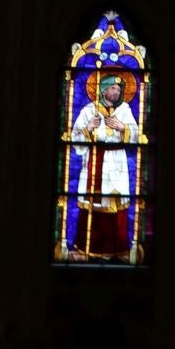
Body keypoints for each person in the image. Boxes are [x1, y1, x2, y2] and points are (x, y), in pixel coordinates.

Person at [69, 70, 140, 260]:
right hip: (94, 160)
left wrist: (122, 128)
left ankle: (118, 248)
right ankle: (88, 248)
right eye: (113, 88)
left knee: (115, 205)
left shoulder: (124, 110)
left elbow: (137, 136)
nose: (116, 92)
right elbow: (74, 137)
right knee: (93, 203)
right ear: (103, 90)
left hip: (116, 160)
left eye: (119, 89)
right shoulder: (88, 110)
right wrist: (88, 129)